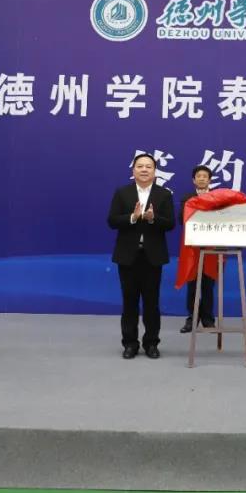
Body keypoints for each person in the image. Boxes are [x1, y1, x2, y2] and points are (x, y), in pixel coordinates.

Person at [107, 153, 175, 360]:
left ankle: (151, 343)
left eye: (148, 166)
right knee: (129, 302)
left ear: (155, 171)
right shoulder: (122, 193)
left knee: (151, 303)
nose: (144, 169)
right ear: (133, 170)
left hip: (152, 257)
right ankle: (130, 344)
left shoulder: (164, 194)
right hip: (128, 256)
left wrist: (154, 219)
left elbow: (170, 224)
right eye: (140, 166)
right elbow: (112, 221)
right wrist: (133, 217)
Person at [178, 165, 217, 334]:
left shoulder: (217, 197)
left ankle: (208, 318)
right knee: (192, 284)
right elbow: (181, 219)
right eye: (198, 176)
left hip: (212, 245)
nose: (201, 178)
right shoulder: (187, 198)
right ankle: (192, 318)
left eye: (204, 176)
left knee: (208, 284)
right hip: (192, 248)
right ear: (194, 180)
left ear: (209, 180)